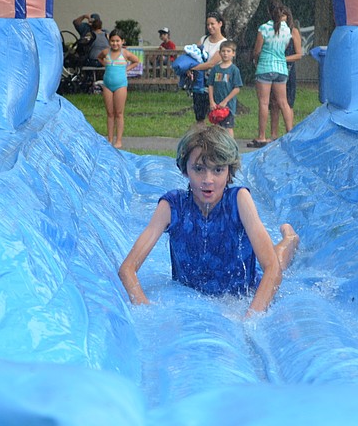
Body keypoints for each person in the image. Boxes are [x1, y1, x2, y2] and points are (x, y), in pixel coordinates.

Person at [118, 124, 299, 316]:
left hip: (241, 289)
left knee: (277, 261)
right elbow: (127, 269)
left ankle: (290, 238)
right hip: (194, 298)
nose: (208, 179)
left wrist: (250, 317)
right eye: (199, 169)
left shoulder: (239, 200)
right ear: (185, 169)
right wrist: (145, 308)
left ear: (229, 171)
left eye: (218, 170)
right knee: (273, 258)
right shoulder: (172, 206)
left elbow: (271, 269)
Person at [248, 2, 299, 148]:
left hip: (265, 67)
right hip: (281, 68)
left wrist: (255, 58)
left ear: (270, 13)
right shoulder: (287, 30)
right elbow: (284, 47)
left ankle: (262, 136)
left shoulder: (264, 28)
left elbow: (257, 50)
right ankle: (290, 133)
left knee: (264, 102)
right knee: (283, 102)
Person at [97, 29, 140, 148]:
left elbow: (136, 61)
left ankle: (119, 140)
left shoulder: (125, 53)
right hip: (107, 85)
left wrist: (126, 69)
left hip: (120, 85)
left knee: (119, 113)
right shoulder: (106, 52)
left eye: (117, 41)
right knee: (110, 113)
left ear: (122, 41)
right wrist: (106, 65)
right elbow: (99, 57)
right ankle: (110, 139)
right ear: (109, 41)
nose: (115, 43)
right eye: (112, 41)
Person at [269, 5, 303, 141]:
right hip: (272, 68)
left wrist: (283, 59)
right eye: (278, 16)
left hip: (287, 68)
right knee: (273, 102)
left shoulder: (293, 31)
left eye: (283, 16)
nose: (281, 19)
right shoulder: (271, 31)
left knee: (288, 101)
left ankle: (290, 132)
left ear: (288, 17)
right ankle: (273, 134)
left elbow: (299, 54)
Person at [188, 12, 227, 125]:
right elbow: (193, 54)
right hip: (201, 81)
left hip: (217, 80)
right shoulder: (203, 39)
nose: (210, 27)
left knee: (217, 114)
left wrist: (193, 67)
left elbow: (211, 64)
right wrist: (188, 67)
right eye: (208, 24)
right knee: (200, 115)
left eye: (212, 24)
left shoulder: (224, 43)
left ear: (220, 24)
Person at [207, 40, 243, 138]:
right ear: (219, 53)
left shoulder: (234, 70)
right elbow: (210, 85)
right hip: (216, 104)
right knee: (216, 127)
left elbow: (237, 88)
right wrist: (211, 101)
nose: (225, 53)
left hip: (228, 106)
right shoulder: (215, 69)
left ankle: (230, 145)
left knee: (228, 127)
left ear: (233, 53)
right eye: (223, 51)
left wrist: (225, 101)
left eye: (228, 51)